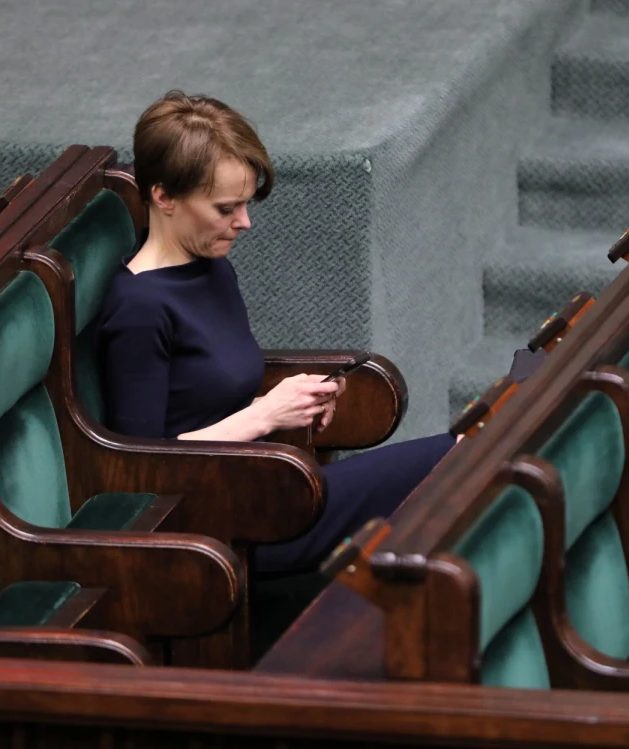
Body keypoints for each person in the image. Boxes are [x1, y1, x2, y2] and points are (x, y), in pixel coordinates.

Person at [95, 90, 456, 586]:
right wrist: (266, 414)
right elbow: (142, 470)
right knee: (455, 458)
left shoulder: (209, 266)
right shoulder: (139, 308)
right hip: (217, 525)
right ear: (164, 197)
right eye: (226, 208)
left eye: (245, 204)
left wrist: (293, 403)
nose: (244, 222)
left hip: (262, 480)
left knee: (467, 456)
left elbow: (206, 399)